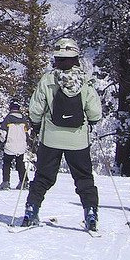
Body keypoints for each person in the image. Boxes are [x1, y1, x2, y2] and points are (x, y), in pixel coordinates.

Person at [20, 38, 102, 231]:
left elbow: (35, 109)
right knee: (84, 178)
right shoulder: (85, 81)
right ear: (75, 57)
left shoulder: (48, 80)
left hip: (51, 138)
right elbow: (95, 112)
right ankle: (90, 213)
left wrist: (37, 124)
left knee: (43, 177)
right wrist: (91, 122)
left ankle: (32, 209)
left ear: (57, 57)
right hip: (78, 140)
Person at [0, 100, 29, 190]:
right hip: (21, 146)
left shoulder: (8, 119)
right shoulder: (23, 119)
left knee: (7, 164)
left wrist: (2, 142)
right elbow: (28, 133)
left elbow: (3, 133)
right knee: (20, 164)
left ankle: (6, 182)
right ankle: (24, 182)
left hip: (10, 145)